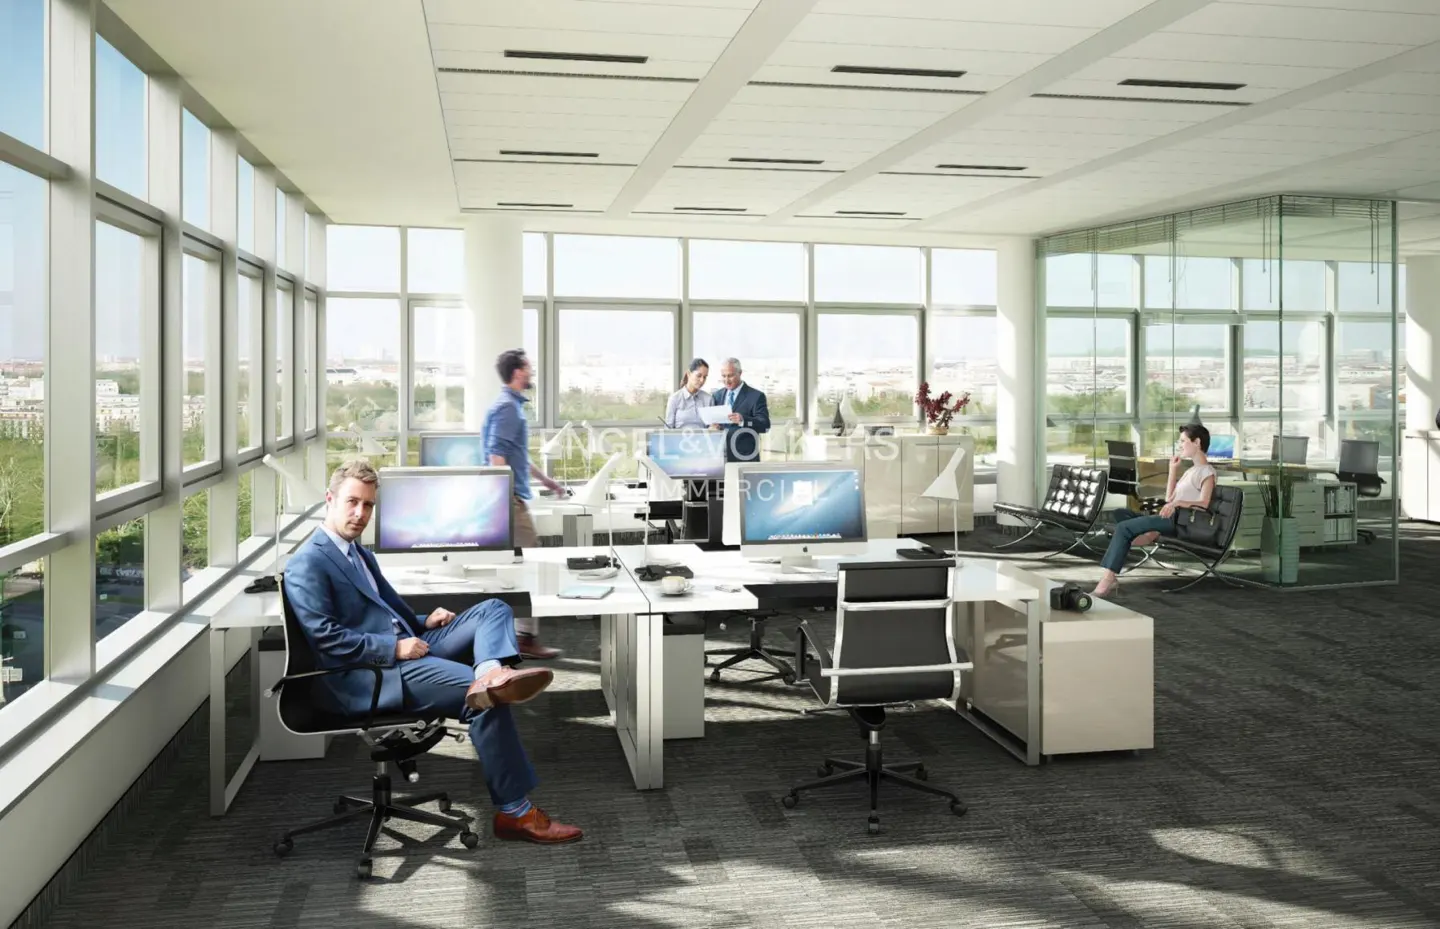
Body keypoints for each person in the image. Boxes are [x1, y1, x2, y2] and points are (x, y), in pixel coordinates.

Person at [284, 460, 583, 844]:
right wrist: (394, 647)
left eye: (369, 506)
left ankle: (491, 670)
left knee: (494, 608)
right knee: (485, 700)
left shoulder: (357, 552)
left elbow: (387, 609)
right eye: (352, 503)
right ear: (330, 499)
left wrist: (423, 621)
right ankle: (516, 814)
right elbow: (325, 638)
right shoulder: (308, 561)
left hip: (408, 648)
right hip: (372, 673)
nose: (361, 514)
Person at [483, 348, 565, 660]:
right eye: (529, 368)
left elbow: (517, 456)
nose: (532, 372)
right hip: (508, 500)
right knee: (529, 564)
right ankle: (524, 638)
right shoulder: (507, 408)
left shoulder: (511, 407)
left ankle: (518, 635)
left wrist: (546, 481)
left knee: (518, 565)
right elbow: (496, 455)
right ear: (517, 372)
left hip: (510, 496)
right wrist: (504, 501)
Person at [1093, 424, 1216, 598]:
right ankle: (1148, 534)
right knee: (1121, 513)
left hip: (1179, 521)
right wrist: (1173, 470)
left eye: (1183, 441)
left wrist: (1178, 503)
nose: (1180, 445)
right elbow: (1169, 499)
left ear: (1197, 442)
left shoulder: (1207, 472)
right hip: (1168, 516)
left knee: (1122, 529)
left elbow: (1204, 504)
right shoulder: (1191, 470)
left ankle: (1108, 578)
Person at [711, 357, 770, 462]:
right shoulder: (717, 396)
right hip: (720, 458)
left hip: (745, 458)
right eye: (723, 376)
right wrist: (713, 426)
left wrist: (743, 421)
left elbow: (765, 425)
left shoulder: (756, 396)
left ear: (740, 373)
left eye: (730, 376)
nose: (726, 380)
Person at [664, 358, 714, 428]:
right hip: (679, 438)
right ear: (689, 374)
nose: (702, 380)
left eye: (705, 377)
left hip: (703, 438)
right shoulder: (674, 399)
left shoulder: (709, 399)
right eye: (699, 376)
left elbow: (711, 428)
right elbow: (668, 429)